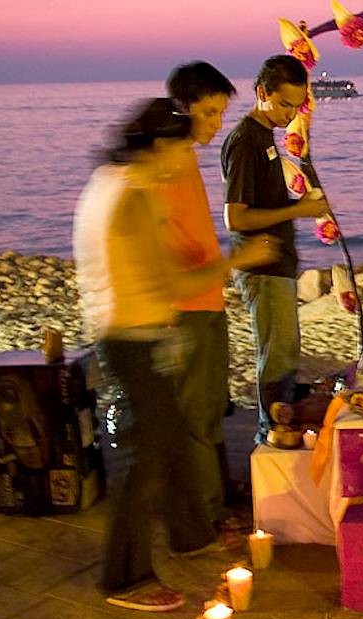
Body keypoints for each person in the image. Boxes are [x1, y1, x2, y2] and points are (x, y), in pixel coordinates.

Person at [73, 98, 276, 611]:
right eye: (186, 148)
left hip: (139, 334)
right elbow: (169, 285)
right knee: (149, 460)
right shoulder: (131, 195)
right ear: (163, 145)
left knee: (172, 442)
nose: (188, 159)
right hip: (131, 340)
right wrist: (237, 260)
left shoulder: (111, 182)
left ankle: (191, 536)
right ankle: (124, 578)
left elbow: (143, 265)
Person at [222, 55, 329, 444]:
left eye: (296, 107)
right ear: (262, 93)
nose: (289, 114)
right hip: (261, 266)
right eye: (284, 104)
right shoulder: (245, 140)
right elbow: (235, 217)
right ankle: (271, 435)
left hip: (278, 264)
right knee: (277, 355)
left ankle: (280, 427)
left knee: (286, 351)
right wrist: (300, 209)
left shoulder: (265, 137)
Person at [162, 61, 242, 527]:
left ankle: (218, 492)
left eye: (219, 113)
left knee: (212, 403)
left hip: (207, 297)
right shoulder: (166, 160)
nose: (217, 123)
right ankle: (203, 513)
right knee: (194, 411)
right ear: (183, 108)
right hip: (185, 305)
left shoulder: (187, 155)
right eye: (210, 113)